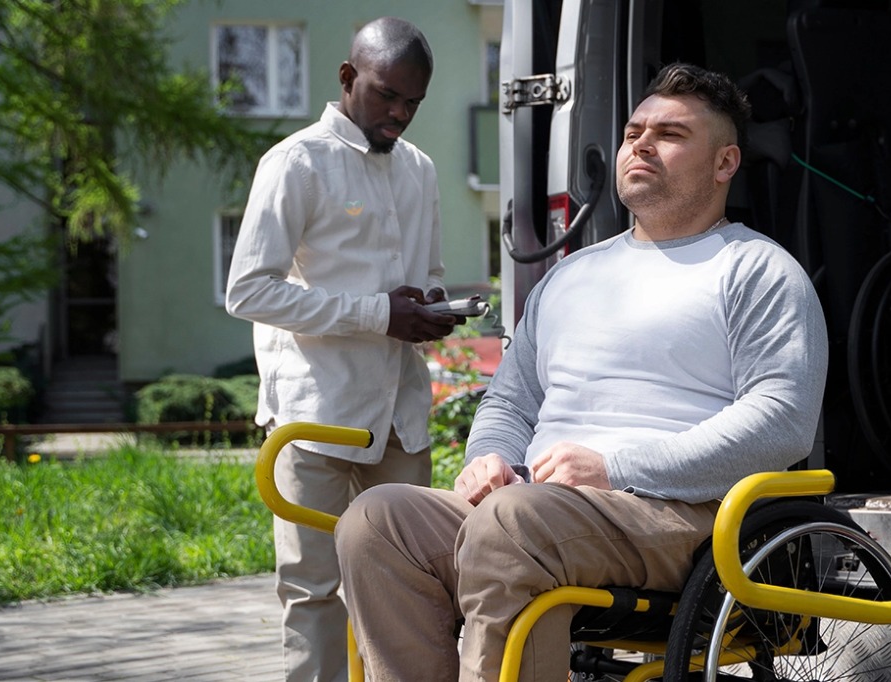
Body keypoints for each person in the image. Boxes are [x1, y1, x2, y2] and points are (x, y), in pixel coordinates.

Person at [333, 63, 830, 681]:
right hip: (537, 508)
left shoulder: (756, 270)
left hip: (679, 515)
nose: (641, 145)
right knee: (376, 521)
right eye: (632, 133)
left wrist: (614, 468)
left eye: (670, 134)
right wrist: (489, 458)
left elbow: (782, 422)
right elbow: (510, 402)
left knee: (514, 523)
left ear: (725, 162)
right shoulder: (569, 275)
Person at [224, 17, 458, 682]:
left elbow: (427, 273)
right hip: (316, 417)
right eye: (387, 94)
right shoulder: (295, 162)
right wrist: (380, 314)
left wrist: (433, 308)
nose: (400, 113)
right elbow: (248, 291)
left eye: (413, 102)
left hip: (400, 417)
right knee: (313, 591)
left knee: (414, 591)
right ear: (348, 77)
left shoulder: (419, 169)